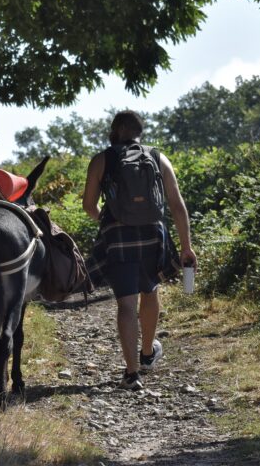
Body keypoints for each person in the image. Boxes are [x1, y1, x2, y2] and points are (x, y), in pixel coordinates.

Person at [82, 110, 197, 391]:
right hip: (152, 234)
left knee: (125, 303)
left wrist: (109, 221)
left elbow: (88, 205)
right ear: (138, 132)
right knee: (151, 290)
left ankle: (131, 374)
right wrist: (186, 246)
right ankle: (147, 354)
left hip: (118, 236)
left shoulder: (102, 159)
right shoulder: (157, 157)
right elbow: (177, 204)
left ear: (117, 130)